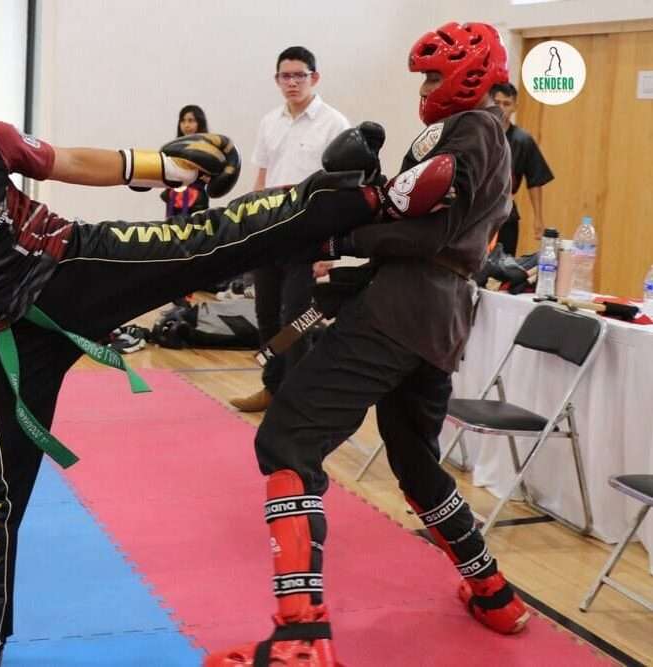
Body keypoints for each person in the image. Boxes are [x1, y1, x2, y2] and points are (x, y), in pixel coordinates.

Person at [0, 39, 394, 667]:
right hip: (0, 338)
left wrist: (165, 166)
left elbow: (68, 161)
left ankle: (355, 199)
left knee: (200, 242)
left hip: (71, 268)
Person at [206, 23, 530, 667]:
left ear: (467, 75)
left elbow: (430, 232)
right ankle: (494, 594)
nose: (426, 88)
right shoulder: (476, 133)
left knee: (288, 439)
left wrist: (342, 239)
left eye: (433, 76)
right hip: (437, 320)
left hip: (401, 311)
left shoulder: (475, 128)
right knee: (414, 461)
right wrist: (361, 231)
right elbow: (426, 222)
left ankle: (301, 640)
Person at [230, 46, 350, 413]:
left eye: (300, 75)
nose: (293, 82)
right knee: (266, 315)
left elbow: (343, 192)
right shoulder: (270, 121)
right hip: (270, 233)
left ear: (315, 77)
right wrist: (249, 230)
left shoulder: (335, 124)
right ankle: (273, 387)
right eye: (286, 76)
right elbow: (262, 180)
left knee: (296, 320)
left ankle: (298, 399)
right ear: (277, 79)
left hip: (309, 237)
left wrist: (330, 249)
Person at [490, 81, 554, 256]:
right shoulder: (476, 134)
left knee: (504, 264)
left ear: (514, 107)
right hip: (476, 214)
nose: (501, 108)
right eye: (496, 103)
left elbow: (535, 179)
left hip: (506, 214)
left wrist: (538, 218)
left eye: (506, 104)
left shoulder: (522, 140)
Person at [160, 104, 211, 217]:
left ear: (199, 122)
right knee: (172, 227)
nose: (186, 125)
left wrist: (207, 177)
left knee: (196, 227)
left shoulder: (207, 148)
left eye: (191, 121)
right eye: (183, 121)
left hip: (196, 199)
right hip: (174, 198)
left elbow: (212, 178)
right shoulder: (173, 148)